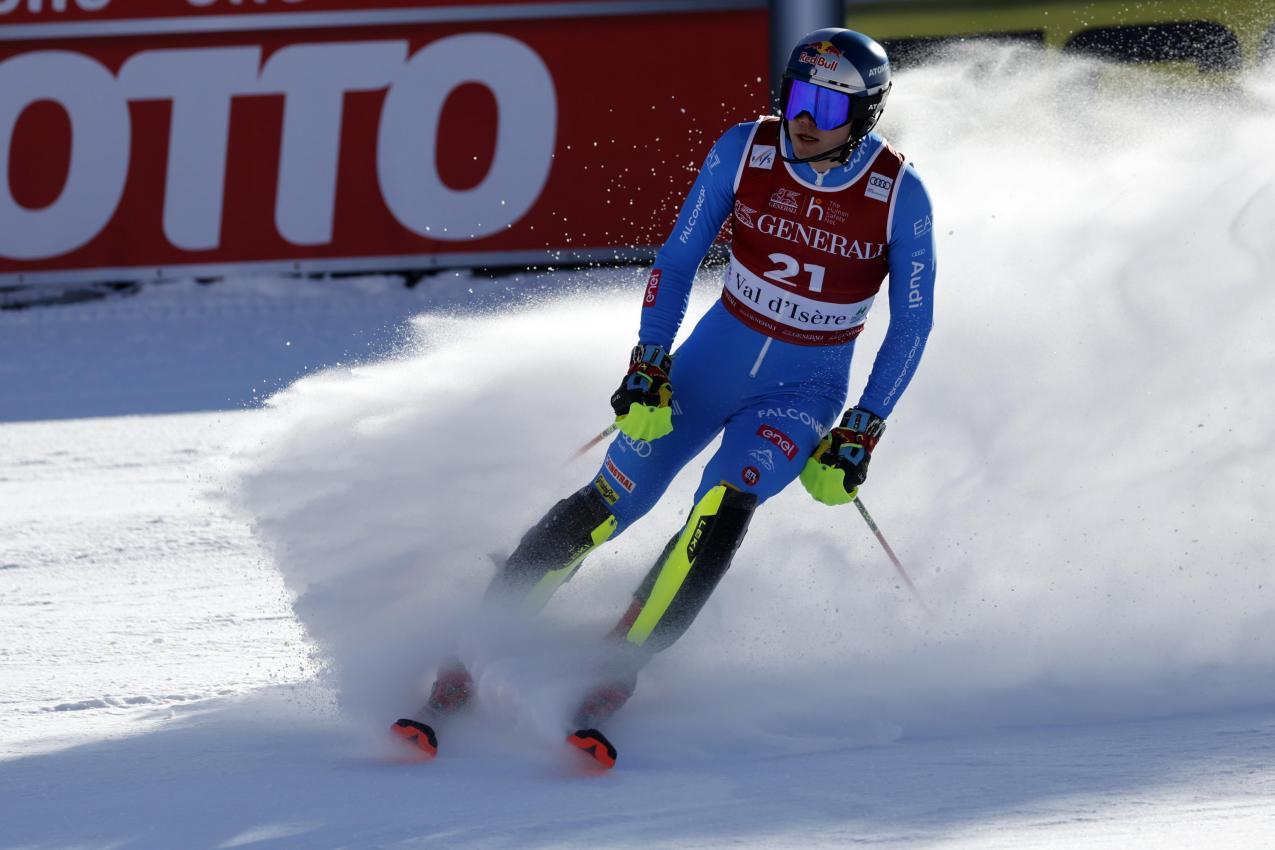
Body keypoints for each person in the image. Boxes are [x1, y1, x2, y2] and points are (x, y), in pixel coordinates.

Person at [393, 27, 937, 768]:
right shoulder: (744, 149)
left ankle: (621, 663)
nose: (806, 119)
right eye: (799, 96)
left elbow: (912, 323)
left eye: (829, 107)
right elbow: (678, 259)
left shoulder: (896, 194)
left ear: (865, 115)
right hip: (707, 364)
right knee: (615, 498)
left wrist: (861, 429)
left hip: (802, 391)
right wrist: (647, 364)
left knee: (723, 500)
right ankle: (479, 638)